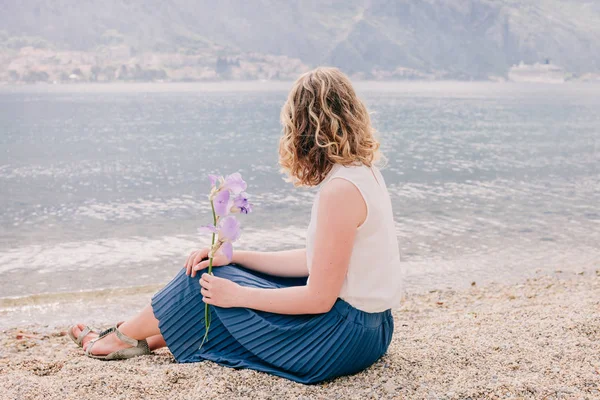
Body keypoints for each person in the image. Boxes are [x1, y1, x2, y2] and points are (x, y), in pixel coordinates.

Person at [68, 67, 402, 384]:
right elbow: (315, 261)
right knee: (229, 274)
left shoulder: (340, 191)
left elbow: (318, 300)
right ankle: (147, 337)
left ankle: (117, 338)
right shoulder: (363, 173)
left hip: (340, 341)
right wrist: (238, 256)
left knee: (203, 279)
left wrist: (240, 295)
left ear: (302, 128)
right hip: (373, 331)